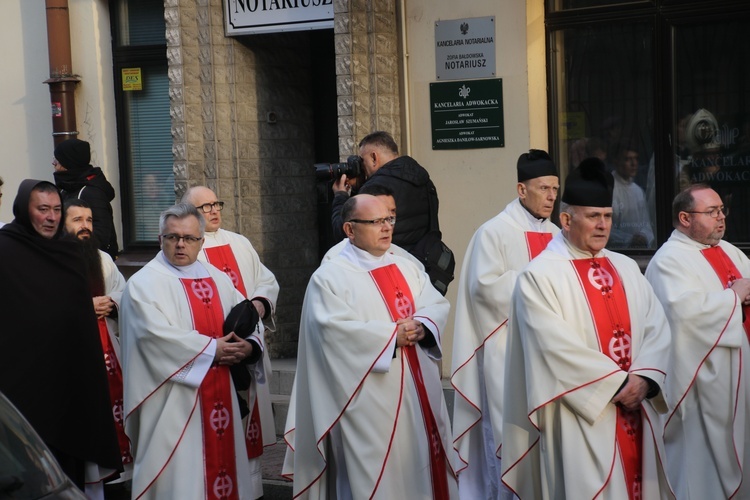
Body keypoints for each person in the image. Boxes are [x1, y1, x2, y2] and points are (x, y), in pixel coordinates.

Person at [501, 158, 672, 499]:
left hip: (638, 408)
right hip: (582, 416)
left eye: (607, 216)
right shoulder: (540, 276)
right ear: (565, 219)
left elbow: (658, 327)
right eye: (593, 216)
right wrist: (620, 383)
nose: (603, 225)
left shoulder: (625, 267)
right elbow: (554, 349)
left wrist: (646, 378)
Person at [283, 194, 458, 498]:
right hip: (367, 403)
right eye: (376, 222)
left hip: (418, 395)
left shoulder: (406, 265)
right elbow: (331, 333)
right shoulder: (330, 277)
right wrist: (391, 337)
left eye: (389, 219)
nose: (386, 228)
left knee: (422, 470)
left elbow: (434, 302)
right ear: (350, 229)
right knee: (377, 481)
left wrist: (423, 324)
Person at [121, 203, 262, 499]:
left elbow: (246, 316)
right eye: (173, 237)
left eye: (189, 238)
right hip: (173, 405)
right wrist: (213, 350)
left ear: (201, 241)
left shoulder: (218, 278)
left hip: (221, 393)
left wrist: (249, 346)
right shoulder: (144, 285)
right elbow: (154, 338)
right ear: (161, 240)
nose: (181, 244)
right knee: (183, 482)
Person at [0, 179, 121, 494]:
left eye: (56, 210)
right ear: (24, 210)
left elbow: (78, 321)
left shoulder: (69, 253)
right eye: (42, 210)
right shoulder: (5, 250)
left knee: (67, 476)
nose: (51, 217)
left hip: (69, 388)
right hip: (20, 387)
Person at [451, 149, 559, 500]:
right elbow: (483, 289)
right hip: (506, 349)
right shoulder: (494, 232)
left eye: (555, 189)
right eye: (543, 188)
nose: (551, 197)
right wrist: (537, 283)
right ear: (521, 189)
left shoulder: (558, 234)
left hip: (552, 352)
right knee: (508, 436)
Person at [645, 184, 750, 498]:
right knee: (699, 469)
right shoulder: (669, 261)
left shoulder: (729, 251)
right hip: (700, 385)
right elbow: (683, 315)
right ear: (684, 218)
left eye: (721, 210)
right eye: (711, 212)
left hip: (737, 375)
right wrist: (733, 298)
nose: (721, 219)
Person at [182, 185, 279, 499]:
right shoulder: (188, 248)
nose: (213, 211)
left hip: (248, 343)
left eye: (216, 204)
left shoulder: (239, 242)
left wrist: (261, 303)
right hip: (215, 349)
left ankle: (252, 490)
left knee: (250, 423)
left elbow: (264, 279)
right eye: (205, 206)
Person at [62, 198, 133, 485]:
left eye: (89, 220)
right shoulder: (54, 259)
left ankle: (113, 477)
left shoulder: (102, 259)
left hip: (108, 352)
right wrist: (84, 307)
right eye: (77, 220)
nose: (85, 226)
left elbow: (124, 293)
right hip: (71, 355)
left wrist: (112, 303)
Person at [330, 131, 439, 252]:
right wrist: (358, 188)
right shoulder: (424, 180)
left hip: (391, 262)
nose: (360, 167)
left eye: (362, 160)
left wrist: (341, 195)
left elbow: (345, 232)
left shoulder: (376, 188)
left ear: (374, 157)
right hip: (420, 263)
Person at [322, 183, 424, 268]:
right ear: (350, 229)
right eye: (377, 220)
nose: (388, 226)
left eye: (392, 213)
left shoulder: (407, 262)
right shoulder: (335, 263)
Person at [53, 138, 119, 259]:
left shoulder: (91, 193)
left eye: (57, 160)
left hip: (90, 262)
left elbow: (101, 235)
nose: (53, 163)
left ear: (68, 162)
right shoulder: (66, 188)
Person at [609, 143, 655, 248]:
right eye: (627, 159)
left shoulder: (638, 191)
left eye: (635, 158)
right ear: (616, 162)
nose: (634, 164)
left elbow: (647, 224)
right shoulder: (609, 189)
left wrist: (643, 236)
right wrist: (628, 239)